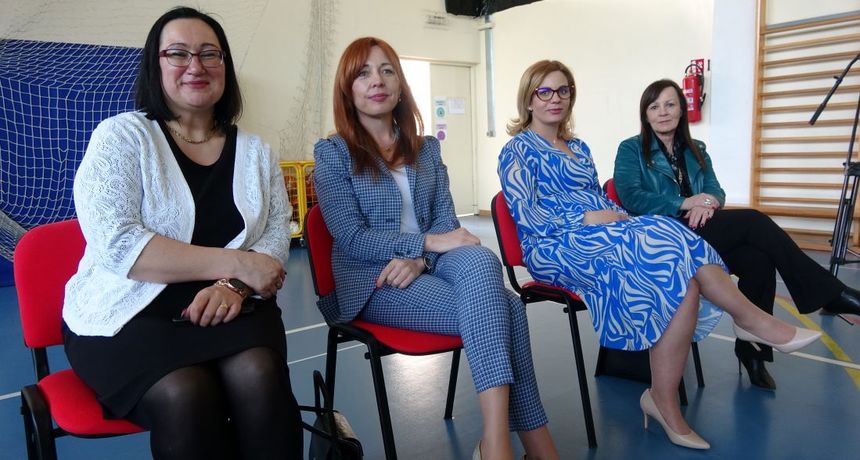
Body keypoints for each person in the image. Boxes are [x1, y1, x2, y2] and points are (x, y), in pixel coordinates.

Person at [498, 60, 822, 450]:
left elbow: (598, 198)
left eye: (563, 90)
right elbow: (527, 215)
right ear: (529, 99)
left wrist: (613, 215)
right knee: (664, 236)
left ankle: (663, 399)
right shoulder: (517, 150)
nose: (555, 98)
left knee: (675, 260)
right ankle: (749, 320)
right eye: (545, 91)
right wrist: (586, 218)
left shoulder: (579, 148)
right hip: (554, 244)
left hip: (600, 231)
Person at [63, 7, 302, 459]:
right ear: (155, 65)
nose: (196, 66)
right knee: (186, 394)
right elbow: (119, 245)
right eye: (178, 53)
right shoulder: (122, 137)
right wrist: (237, 264)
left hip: (231, 306)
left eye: (210, 54)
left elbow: (273, 233)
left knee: (258, 375)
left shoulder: (256, 152)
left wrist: (233, 285)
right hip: (131, 315)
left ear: (225, 66)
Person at [313, 37, 559, 460]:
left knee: (481, 258)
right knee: (508, 308)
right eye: (363, 73)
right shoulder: (333, 153)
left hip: (425, 263)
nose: (377, 81)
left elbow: (446, 220)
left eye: (387, 70)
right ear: (347, 89)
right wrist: (423, 243)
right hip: (374, 280)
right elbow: (352, 237)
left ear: (400, 84)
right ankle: (528, 447)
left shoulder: (426, 149)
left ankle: (496, 443)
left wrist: (420, 258)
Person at [612, 78, 860, 390]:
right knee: (754, 220)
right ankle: (830, 294)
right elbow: (631, 197)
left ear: (681, 110)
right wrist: (685, 203)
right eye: (654, 106)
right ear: (645, 114)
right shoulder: (631, 149)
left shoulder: (696, 149)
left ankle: (752, 352)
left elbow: (715, 190)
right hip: (662, 235)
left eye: (670, 104)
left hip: (699, 229)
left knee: (758, 260)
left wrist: (708, 202)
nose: (663, 112)